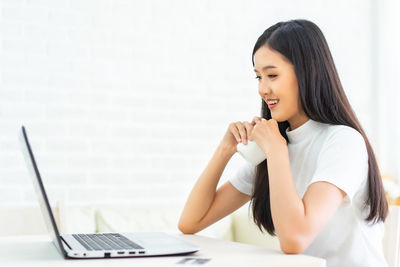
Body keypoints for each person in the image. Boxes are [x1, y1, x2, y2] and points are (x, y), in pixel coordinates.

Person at [178, 19, 389, 267]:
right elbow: (191, 222)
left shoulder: (343, 141)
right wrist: (225, 150)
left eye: (272, 75)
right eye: (258, 77)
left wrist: (276, 150)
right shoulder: (277, 143)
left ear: (308, 70)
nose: (262, 88)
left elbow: (295, 239)